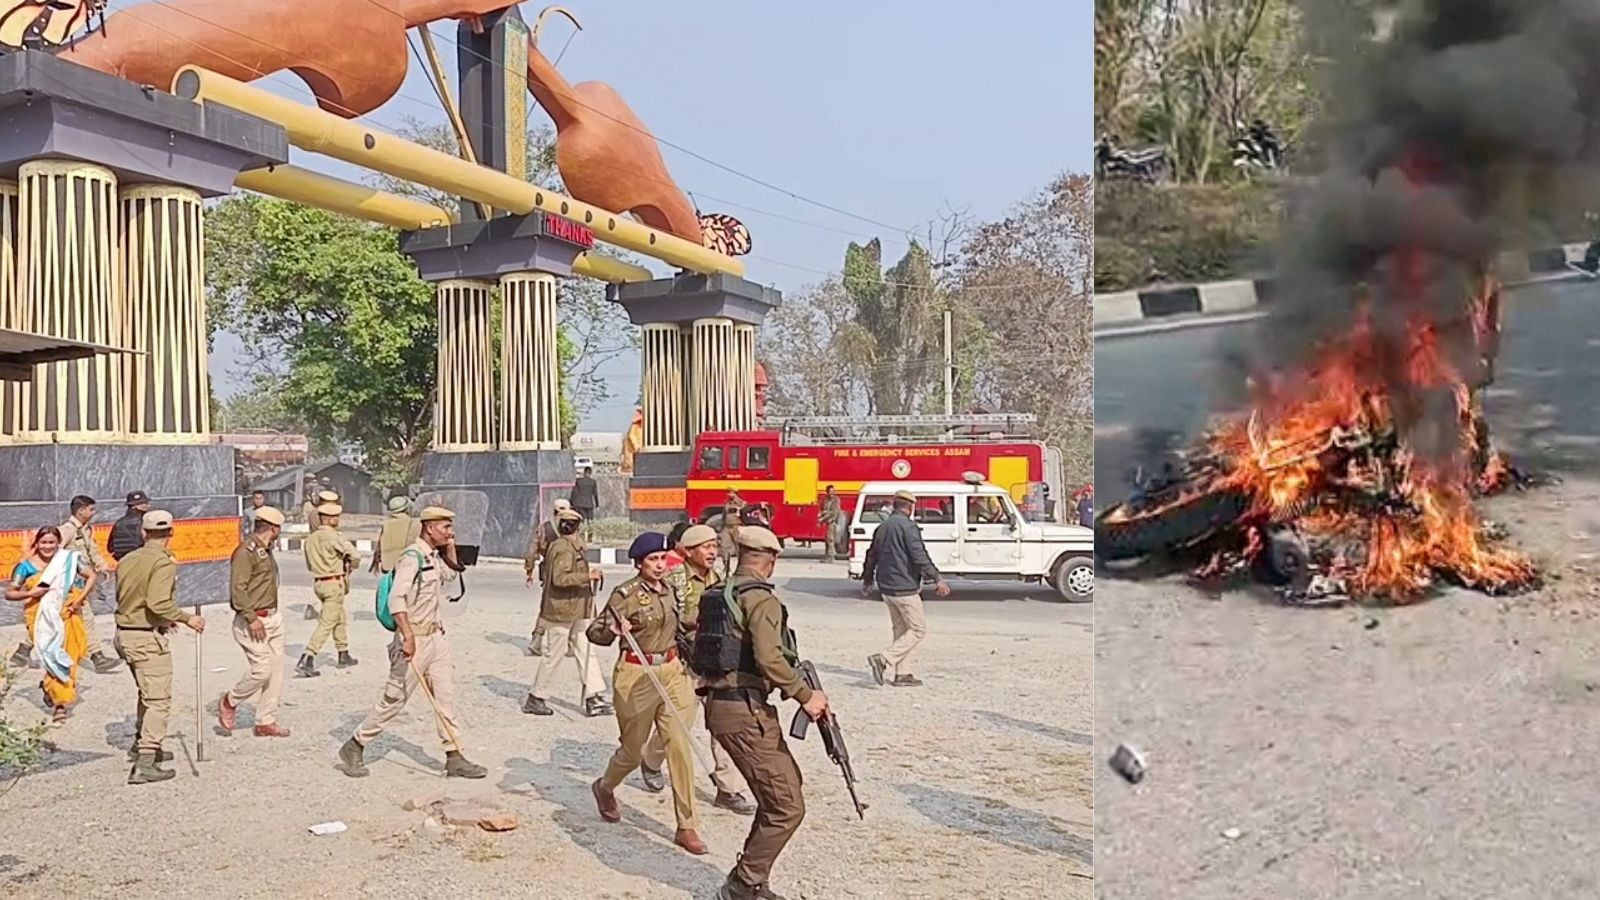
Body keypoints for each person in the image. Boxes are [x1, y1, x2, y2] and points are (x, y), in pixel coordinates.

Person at [700, 525, 830, 900]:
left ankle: (752, 879)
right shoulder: (760, 599)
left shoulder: (719, 593)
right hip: (744, 711)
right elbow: (770, 658)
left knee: (783, 792)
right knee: (787, 805)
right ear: (771, 560)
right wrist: (805, 695)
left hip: (729, 705)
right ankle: (742, 886)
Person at [337, 506, 487, 780]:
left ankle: (454, 755)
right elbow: (397, 599)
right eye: (445, 527)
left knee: (445, 697)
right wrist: (407, 636)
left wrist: (450, 547)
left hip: (436, 637)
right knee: (394, 699)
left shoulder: (432, 556)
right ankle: (355, 744)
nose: (450, 532)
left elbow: (451, 576)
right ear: (429, 527)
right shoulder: (412, 557)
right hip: (414, 639)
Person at [586, 531, 707, 856]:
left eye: (663, 558)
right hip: (636, 673)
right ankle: (605, 786)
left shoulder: (670, 590)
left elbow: (681, 626)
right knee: (632, 750)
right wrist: (613, 630)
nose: (660, 565)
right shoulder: (624, 594)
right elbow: (595, 632)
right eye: (653, 560)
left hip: (672, 670)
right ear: (639, 563)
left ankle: (687, 825)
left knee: (679, 744)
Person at [641, 523, 758, 815]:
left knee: (723, 721)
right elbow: (666, 617)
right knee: (678, 720)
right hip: (686, 662)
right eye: (706, 547)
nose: (712, 552)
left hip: (716, 661)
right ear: (688, 551)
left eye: (714, 546)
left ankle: (728, 789)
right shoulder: (673, 579)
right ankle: (651, 760)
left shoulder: (718, 579)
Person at [114, 509, 205, 784]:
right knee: (158, 700)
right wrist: (187, 618)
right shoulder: (163, 563)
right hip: (145, 638)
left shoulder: (127, 559)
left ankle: (143, 745)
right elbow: (158, 603)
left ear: (144, 532)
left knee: (146, 694)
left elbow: (130, 597)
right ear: (171, 533)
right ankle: (145, 761)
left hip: (125, 633)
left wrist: (164, 620)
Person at [521, 507, 611, 717]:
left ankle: (593, 696)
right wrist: (587, 576)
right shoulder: (563, 548)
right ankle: (536, 697)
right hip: (561, 610)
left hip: (575, 608)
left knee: (585, 650)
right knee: (555, 654)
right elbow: (559, 579)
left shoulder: (571, 546)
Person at [5, 526, 97, 725]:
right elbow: (10, 593)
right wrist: (31, 593)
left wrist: (80, 598)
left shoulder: (68, 560)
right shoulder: (25, 567)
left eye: (51, 542)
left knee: (67, 657)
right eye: (44, 542)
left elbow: (91, 576)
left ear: (58, 543)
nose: (47, 546)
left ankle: (59, 703)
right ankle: (55, 695)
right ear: (37, 543)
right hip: (40, 618)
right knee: (50, 655)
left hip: (67, 614)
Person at [863, 490, 950, 688]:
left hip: (887, 588)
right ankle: (883, 659)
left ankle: (902, 673)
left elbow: (871, 555)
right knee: (918, 630)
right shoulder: (908, 527)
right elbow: (919, 556)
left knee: (901, 631)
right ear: (910, 507)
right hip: (905, 588)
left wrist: (867, 580)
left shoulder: (882, 527)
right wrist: (937, 578)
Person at [218, 506, 290, 738]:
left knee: (276, 671)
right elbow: (237, 588)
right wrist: (251, 617)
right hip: (253, 620)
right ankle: (230, 700)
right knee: (262, 670)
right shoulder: (246, 552)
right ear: (273, 528)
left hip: (272, 617)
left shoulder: (265, 550)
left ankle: (265, 720)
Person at [55, 495, 120, 675]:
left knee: (67, 620)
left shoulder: (85, 530)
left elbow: (92, 550)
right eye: (91, 509)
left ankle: (24, 650)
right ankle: (97, 657)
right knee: (85, 618)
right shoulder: (67, 530)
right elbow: (54, 554)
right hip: (71, 585)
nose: (93, 512)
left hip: (83, 583)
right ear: (81, 510)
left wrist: (101, 566)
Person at [297, 501, 359, 676]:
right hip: (334, 583)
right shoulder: (334, 537)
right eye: (335, 517)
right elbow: (355, 556)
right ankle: (307, 657)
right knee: (326, 623)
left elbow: (309, 565)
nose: (338, 519)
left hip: (319, 582)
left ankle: (343, 652)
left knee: (339, 617)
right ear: (329, 519)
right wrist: (351, 566)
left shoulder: (310, 539)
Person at [523, 498, 575, 655]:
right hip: (569, 570)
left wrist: (529, 571)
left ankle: (537, 639)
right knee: (572, 605)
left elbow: (532, 551)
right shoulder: (573, 527)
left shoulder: (544, 528)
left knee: (546, 606)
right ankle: (571, 643)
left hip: (549, 570)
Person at [371, 495, 420, 575]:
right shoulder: (414, 523)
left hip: (388, 566)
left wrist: (376, 561)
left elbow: (380, 545)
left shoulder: (386, 524)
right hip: (407, 564)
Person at [108, 490, 150, 561]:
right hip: (141, 560)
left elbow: (110, 548)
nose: (147, 505)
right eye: (142, 503)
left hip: (123, 561)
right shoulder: (145, 521)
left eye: (146, 503)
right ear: (133, 506)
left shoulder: (119, 523)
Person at [818, 485, 843, 562]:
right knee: (827, 539)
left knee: (830, 539)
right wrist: (822, 515)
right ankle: (827, 555)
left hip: (832, 522)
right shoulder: (825, 499)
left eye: (833, 491)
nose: (831, 493)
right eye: (830, 491)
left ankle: (831, 557)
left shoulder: (836, 500)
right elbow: (821, 509)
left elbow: (834, 512)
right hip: (826, 522)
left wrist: (824, 516)